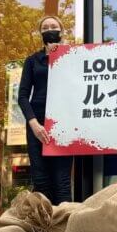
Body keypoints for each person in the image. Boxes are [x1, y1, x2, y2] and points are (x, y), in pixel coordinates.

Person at [18, 15, 72, 205]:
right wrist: (34, 124)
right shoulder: (32, 60)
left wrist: (60, 56)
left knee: (62, 180)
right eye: (45, 27)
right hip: (37, 123)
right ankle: (43, 230)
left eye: (53, 26)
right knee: (41, 180)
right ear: (40, 32)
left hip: (63, 122)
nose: (49, 29)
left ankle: (64, 228)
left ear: (61, 31)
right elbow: (23, 96)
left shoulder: (72, 57)